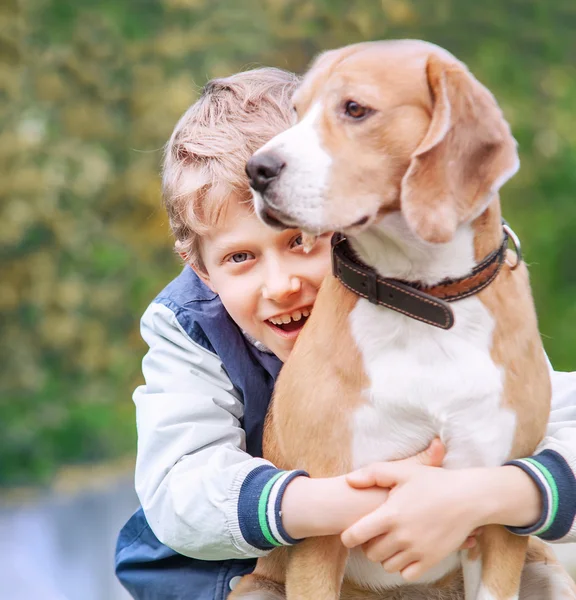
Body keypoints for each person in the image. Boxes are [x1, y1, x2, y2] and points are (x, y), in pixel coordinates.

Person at [115, 67, 576, 600]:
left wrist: (481, 496)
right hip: (253, 569)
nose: (282, 284)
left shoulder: (448, 298)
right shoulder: (193, 327)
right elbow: (181, 490)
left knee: (544, 575)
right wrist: (356, 504)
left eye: (302, 240)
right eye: (240, 257)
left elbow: (556, 412)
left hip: (450, 556)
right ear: (200, 270)